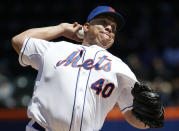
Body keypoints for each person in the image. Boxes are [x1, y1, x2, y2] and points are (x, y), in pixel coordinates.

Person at [11, 6, 163, 131]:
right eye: (103, 22)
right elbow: (19, 41)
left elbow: (134, 116)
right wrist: (62, 29)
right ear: (87, 27)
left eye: (114, 27)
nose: (109, 28)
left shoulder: (120, 67)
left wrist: (150, 120)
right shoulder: (57, 49)